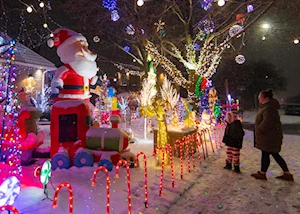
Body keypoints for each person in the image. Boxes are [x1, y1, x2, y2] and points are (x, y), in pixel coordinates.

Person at [251, 89, 294, 181]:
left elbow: (267, 122)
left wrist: (258, 129)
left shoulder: (269, 109)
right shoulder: (267, 107)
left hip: (269, 137)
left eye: (260, 97)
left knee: (269, 154)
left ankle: (265, 173)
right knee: (271, 154)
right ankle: (284, 173)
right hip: (269, 137)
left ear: (266, 98)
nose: (259, 99)